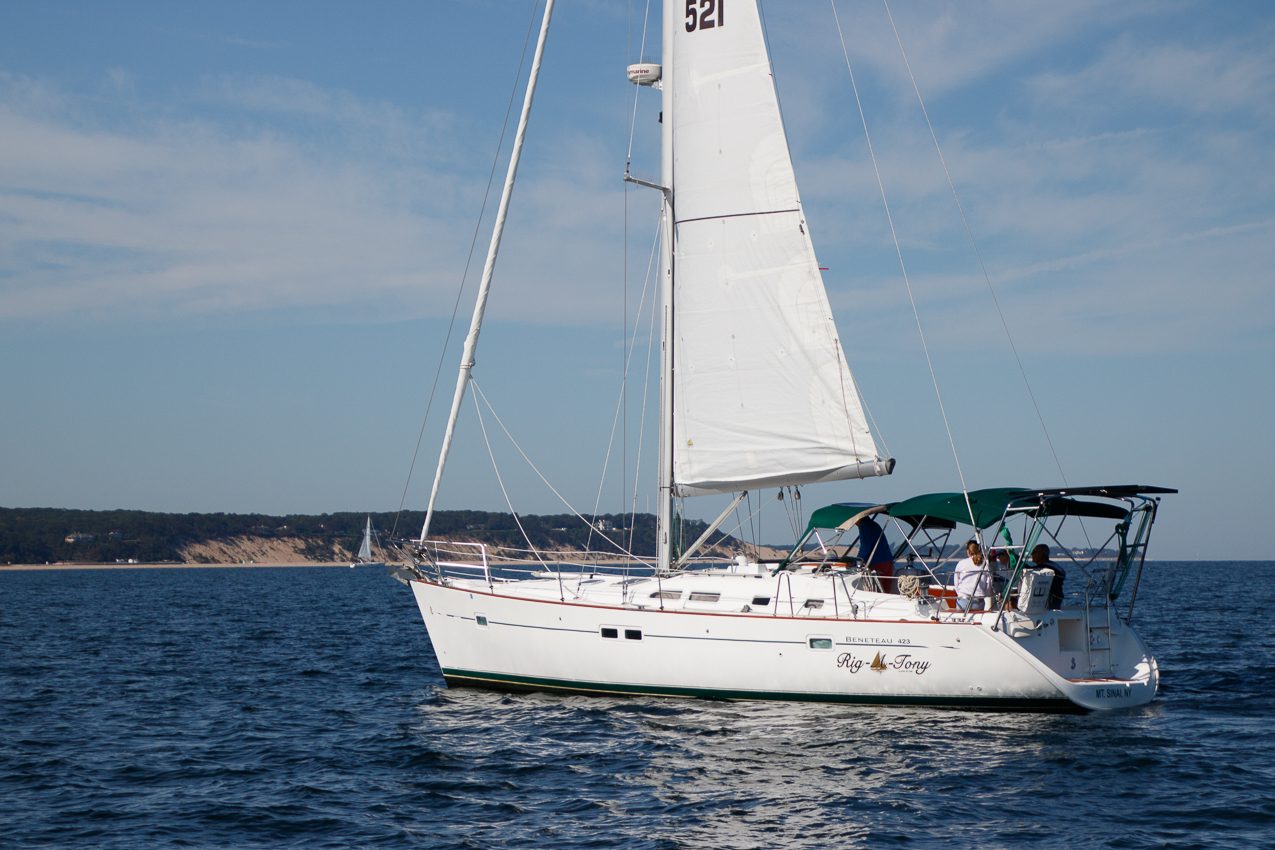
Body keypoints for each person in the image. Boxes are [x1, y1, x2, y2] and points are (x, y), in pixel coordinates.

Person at [855, 516, 895, 593]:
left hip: (876, 563)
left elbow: (866, 546)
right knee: (886, 593)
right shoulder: (874, 524)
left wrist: (855, 562)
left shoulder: (864, 526)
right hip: (888, 562)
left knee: (875, 593)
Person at [953, 540, 993, 611]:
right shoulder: (986, 566)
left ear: (968, 551)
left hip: (963, 601)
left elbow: (956, 584)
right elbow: (989, 585)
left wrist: (960, 594)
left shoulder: (961, 564)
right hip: (978, 602)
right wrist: (983, 595)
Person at [1031, 544, 1067, 608]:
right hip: (1056, 601)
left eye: (1033, 552)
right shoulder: (1056, 567)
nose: (1031, 554)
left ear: (1041, 554)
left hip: (1049, 603)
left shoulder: (1043, 569)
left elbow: (1029, 571)